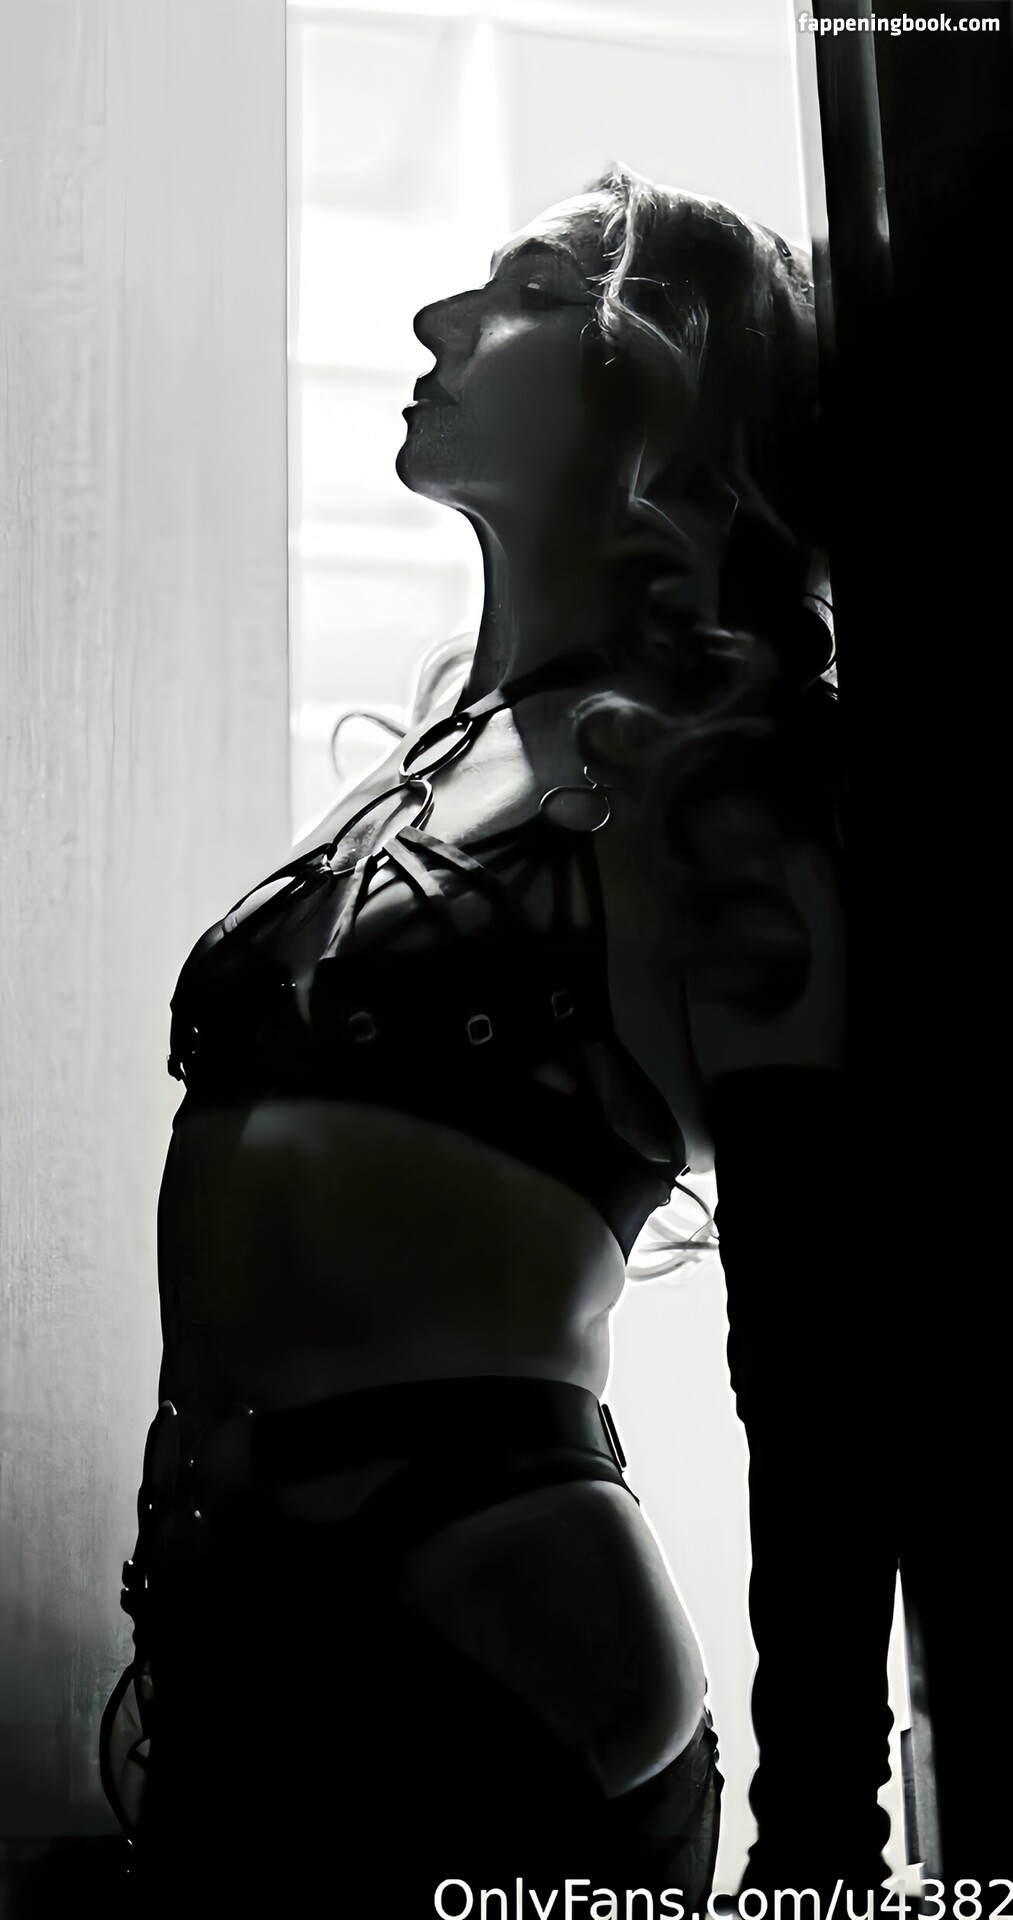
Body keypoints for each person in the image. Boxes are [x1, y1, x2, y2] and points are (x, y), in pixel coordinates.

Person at [100, 163, 868, 1912]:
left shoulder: (723, 784)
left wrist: (826, 1834)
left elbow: (821, 1364)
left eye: (518, 292)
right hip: (232, 1643)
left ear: (660, 373)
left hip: (492, 1662)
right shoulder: (423, 762)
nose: (438, 318)